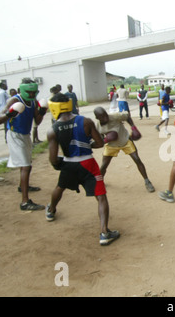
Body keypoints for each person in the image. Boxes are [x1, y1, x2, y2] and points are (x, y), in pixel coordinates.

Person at [45, 93, 120, 246]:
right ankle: (104, 233)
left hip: (68, 164)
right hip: (87, 163)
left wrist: (59, 165)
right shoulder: (85, 121)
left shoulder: (52, 130)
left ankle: (51, 211)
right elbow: (99, 144)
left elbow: (53, 159)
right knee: (101, 196)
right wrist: (87, 145)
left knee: (60, 186)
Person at [0, 78, 47, 210]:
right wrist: (10, 113)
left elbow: (37, 121)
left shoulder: (33, 102)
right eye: (29, 92)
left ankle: (22, 186)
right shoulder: (14, 100)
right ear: (22, 90)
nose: (31, 94)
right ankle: (25, 202)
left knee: (28, 165)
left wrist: (42, 112)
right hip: (14, 135)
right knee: (25, 166)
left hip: (26, 135)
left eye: (33, 92)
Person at [93, 107, 155, 193]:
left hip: (125, 141)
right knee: (104, 165)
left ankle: (147, 181)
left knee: (137, 160)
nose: (105, 118)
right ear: (97, 118)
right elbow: (100, 140)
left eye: (105, 115)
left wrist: (133, 128)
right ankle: (100, 182)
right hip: (111, 145)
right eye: (102, 117)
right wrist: (106, 140)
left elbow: (127, 116)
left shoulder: (115, 116)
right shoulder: (98, 127)